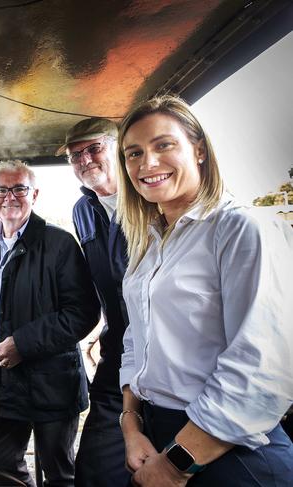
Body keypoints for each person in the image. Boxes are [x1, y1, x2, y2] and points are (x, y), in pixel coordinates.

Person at [116, 95, 293, 486]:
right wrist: (132, 424)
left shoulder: (241, 229)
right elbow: (136, 340)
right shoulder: (150, 246)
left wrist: (176, 464)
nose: (147, 164)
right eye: (134, 153)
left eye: (164, 145)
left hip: (229, 452)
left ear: (198, 150)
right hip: (158, 431)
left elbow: (262, 367)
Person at [0, 160, 100, 487]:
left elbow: (82, 312)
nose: (9, 196)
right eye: (1, 190)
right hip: (3, 380)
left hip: (52, 382)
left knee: (59, 471)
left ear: (34, 194)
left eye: (19, 188)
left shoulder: (60, 244)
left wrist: (23, 344)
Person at [55, 118, 130, 487]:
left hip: (171, 354)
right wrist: (100, 329)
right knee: (96, 469)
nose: (84, 160)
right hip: (118, 351)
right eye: (74, 155)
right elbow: (102, 282)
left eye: (93, 149)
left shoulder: (151, 199)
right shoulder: (82, 211)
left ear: (117, 147)